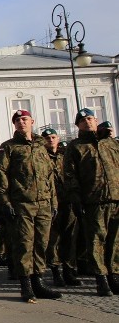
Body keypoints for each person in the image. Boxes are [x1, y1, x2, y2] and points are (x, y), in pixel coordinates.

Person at [0, 109, 60, 303]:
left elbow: (49, 176)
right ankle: (26, 286)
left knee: (41, 243)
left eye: (24, 119)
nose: (21, 123)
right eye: (17, 120)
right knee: (24, 244)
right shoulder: (8, 148)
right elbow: (1, 176)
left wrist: (53, 201)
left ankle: (38, 281)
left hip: (44, 203)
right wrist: (4, 201)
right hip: (21, 203)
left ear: (32, 121)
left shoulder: (41, 147)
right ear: (14, 124)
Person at [64, 108, 119, 296]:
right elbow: (70, 175)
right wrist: (76, 198)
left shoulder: (111, 143)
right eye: (82, 120)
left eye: (90, 118)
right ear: (78, 125)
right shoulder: (76, 146)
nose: (87, 122)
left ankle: (115, 275)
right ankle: (101, 278)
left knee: (116, 240)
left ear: (96, 120)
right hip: (93, 200)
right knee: (96, 240)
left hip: (116, 197)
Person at [42, 128, 79, 287]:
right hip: (51, 202)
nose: (51, 140)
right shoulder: (41, 157)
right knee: (53, 239)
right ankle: (56, 271)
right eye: (47, 138)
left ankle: (69, 271)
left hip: (68, 201)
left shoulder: (66, 156)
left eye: (53, 137)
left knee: (70, 237)